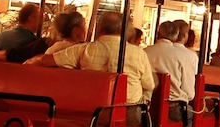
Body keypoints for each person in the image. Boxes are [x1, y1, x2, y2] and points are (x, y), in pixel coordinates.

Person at [25, 11, 155, 108]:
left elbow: (42, 61)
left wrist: (23, 68)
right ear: (124, 30)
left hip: (92, 109)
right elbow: (149, 85)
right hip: (128, 111)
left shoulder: (82, 50)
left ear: (100, 28)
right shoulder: (139, 54)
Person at [144, 20, 199, 127]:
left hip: (147, 106)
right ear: (176, 36)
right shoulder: (182, 56)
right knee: (189, 113)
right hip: (173, 107)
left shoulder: (146, 51)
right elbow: (189, 92)